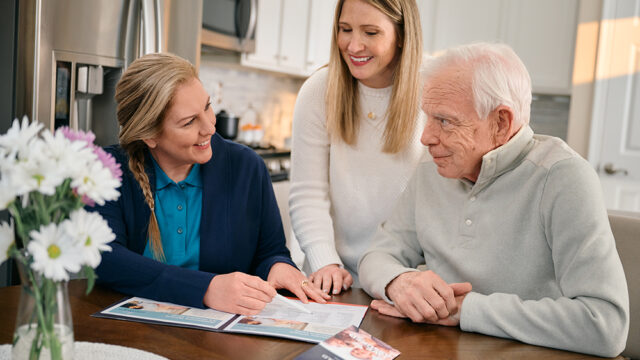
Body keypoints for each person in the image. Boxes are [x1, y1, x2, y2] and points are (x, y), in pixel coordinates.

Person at [358, 42, 629, 357]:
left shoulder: (563, 177)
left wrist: (466, 310)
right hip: (437, 350)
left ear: (501, 122)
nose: (426, 137)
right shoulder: (432, 168)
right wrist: (399, 281)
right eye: (428, 118)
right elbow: (376, 256)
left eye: (444, 121)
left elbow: (606, 325)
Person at [92, 53, 328, 315]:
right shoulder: (107, 171)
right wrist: (206, 288)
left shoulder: (246, 167)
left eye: (207, 107)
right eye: (189, 121)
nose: (210, 127)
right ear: (149, 135)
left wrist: (278, 266)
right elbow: (106, 259)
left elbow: (269, 251)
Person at [289, 0, 427, 294]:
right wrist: (325, 262)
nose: (353, 45)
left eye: (371, 33)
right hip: (334, 277)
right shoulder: (318, 91)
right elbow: (308, 193)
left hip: (405, 279)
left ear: (402, 35)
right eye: (345, 29)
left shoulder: (430, 90)